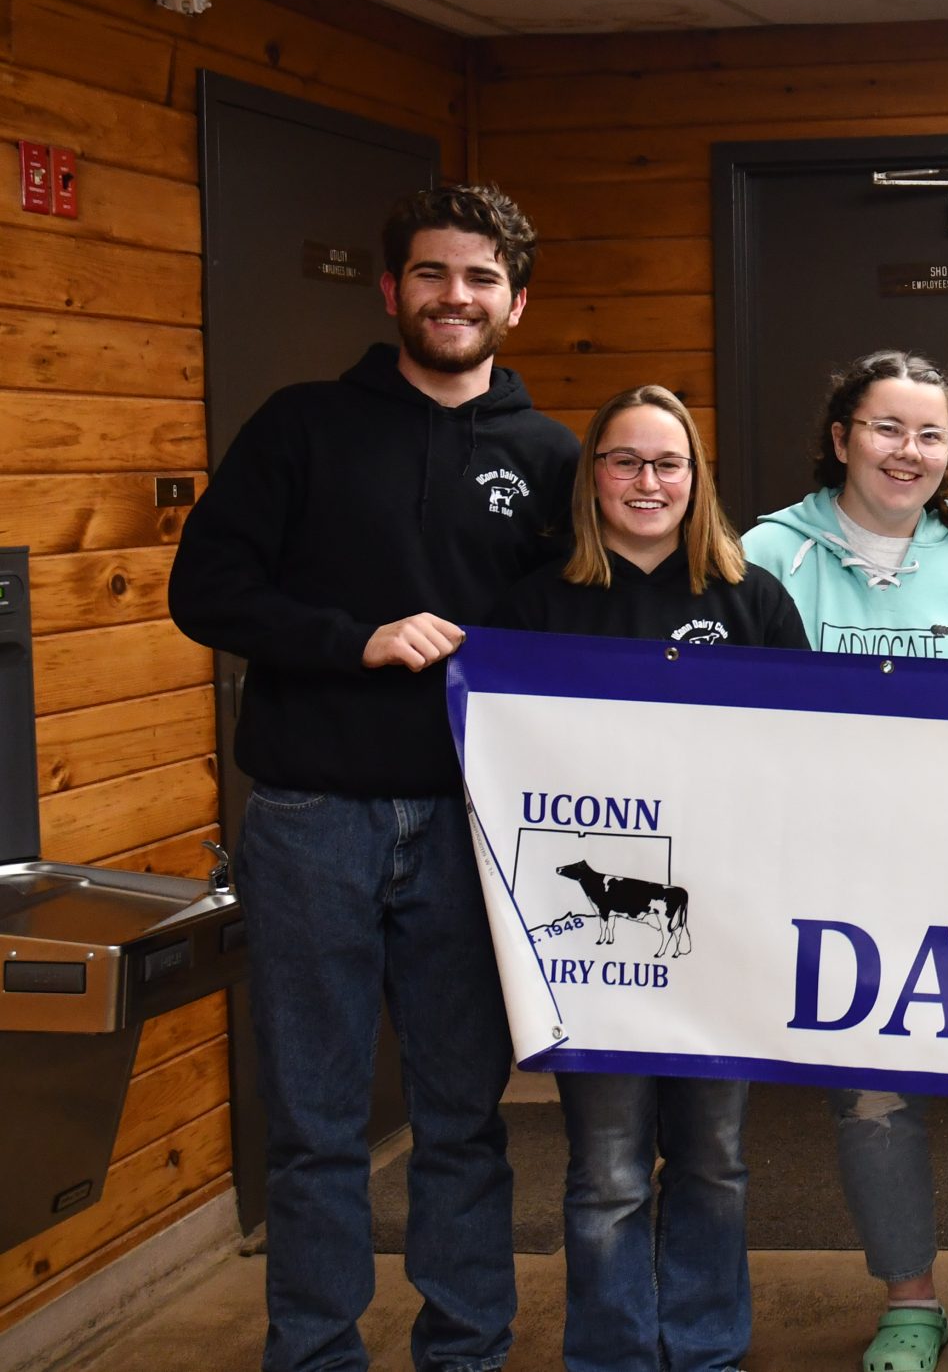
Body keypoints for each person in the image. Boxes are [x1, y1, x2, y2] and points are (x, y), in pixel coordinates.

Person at [168, 184, 579, 1372]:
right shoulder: (299, 426)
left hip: (470, 832)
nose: (458, 296)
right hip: (310, 821)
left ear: (516, 302)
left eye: (483, 278)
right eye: (436, 274)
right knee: (313, 1125)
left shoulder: (550, 457)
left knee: (463, 1119)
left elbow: (579, 629)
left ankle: (464, 1349)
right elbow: (207, 592)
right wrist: (355, 636)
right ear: (391, 289)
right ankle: (314, 1351)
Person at [742, 350, 948, 1372]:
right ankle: (909, 1301)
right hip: (840, 884)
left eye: (928, 434)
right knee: (873, 1094)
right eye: (886, 428)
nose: (908, 452)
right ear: (841, 437)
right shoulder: (765, 559)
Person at [491, 385, 806, 1372]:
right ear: (593, 475)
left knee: (713, 1157)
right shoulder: (538, 602)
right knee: (610, 1169)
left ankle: (706, 1346)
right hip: (595, 943)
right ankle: (616, 1352)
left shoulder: (747, 596)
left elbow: (806, 748)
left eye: (667, 463)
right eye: (624, 461)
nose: (647, 481)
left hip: (720, 927)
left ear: (695, 479)